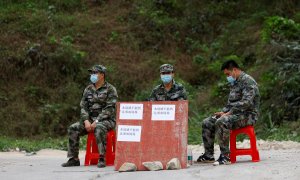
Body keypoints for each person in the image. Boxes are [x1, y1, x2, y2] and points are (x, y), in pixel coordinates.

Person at [196, 60, 260, 166]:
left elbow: (246, 103)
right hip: (235, 114)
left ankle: (225, 156)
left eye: (227, 74)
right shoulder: (234, 82)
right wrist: (224, 111)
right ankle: (208, 155)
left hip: (248, 115)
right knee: (208, 121)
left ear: (234, 70)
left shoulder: (248, 82)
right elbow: (231, 103)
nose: (227, 77)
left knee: (222, 121)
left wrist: (229, 113)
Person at [61, 65, 118, 168]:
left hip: (106, 120)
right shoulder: (88, 89)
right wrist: (86, 120)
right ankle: (74, 159)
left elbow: (109, 109)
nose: (92, 75)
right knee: (73, 128)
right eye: (91, 73)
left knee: (99, 127)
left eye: (95, 73)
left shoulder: (110, 89)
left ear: (102, 75)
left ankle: (102, 158)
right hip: (89, 120)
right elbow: (83, 107)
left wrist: (96, 121)